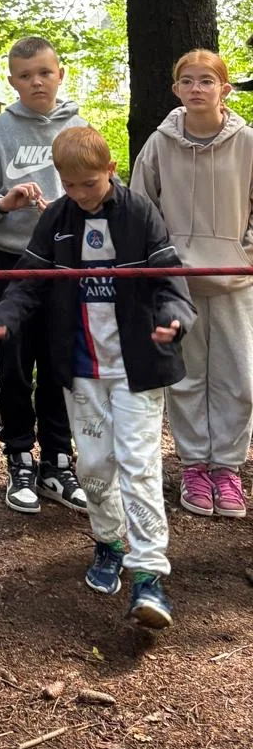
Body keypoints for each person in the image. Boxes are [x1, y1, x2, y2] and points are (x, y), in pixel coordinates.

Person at [0, 125, 193, 628]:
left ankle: (149, 578)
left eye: (89, 185)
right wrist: (6, 317)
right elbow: (29, 281)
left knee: (139, 464)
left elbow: (171, 281)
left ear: (111, 171)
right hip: (82, 369)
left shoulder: (140, 213)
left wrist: (174, 320)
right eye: (70, 185)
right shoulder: (56, 218)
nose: (79, 194)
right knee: (95, 468)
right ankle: (109, 542)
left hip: (137, 369)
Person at [0, 35, 87, 515]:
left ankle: (57, 459)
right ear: (11, 80)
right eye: (26, 75)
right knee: (13, 363)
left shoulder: (79, 128)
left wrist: (73, 210)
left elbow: (103, 193)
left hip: (65, 265)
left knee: (60, 361)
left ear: (60, 74)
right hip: (10, 262)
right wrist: (2, 202)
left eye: (44, 73)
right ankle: (19, 458)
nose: (36, 82)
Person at [130, 49, 253, 518]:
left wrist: (244, 254)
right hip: (177, 283)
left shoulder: (248, 143)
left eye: (207, 80)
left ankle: (227, 468)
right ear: (176, 89)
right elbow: (141, 208)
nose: (197, 88)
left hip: (236, 280)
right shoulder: (159, 144)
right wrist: (161, 263)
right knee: (186, 378)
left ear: (224, 89)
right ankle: (195, 467)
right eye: (188, 80)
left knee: (238, 378)